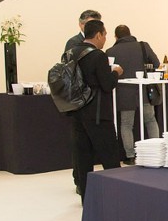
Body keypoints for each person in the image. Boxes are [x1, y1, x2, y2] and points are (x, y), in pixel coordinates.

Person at [69, 20, 123, 203]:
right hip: (98, 113)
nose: (105, 39)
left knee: (83, 158)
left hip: (76, 112)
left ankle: (87, 199)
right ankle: (116, 196)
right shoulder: (98, 56)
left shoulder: (70, 53)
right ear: (99, 35)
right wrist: (116, 72)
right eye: (105, 35)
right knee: (110, 157)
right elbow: (106, 84)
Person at [106, 25, 161, 165]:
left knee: (126, 124)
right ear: (130, 34)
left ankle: (130, 156)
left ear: (116, 37)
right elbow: (156, 63)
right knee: (150, 120)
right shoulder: (143, 46)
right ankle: (156, 150)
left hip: (124, 93)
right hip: (144, 91)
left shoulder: (110, 51)